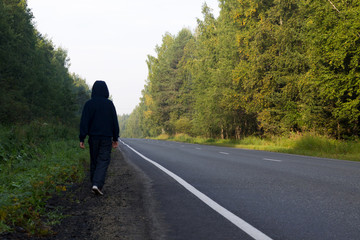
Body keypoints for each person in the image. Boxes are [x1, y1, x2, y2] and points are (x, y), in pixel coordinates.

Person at [79, 80, 119, 196]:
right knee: (103, 160)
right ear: (106, 90)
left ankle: (94, 183)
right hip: (106, 137)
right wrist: (115, 138)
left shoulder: (89, 104)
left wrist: (82, 138)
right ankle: (97, 184)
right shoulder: (109, 104)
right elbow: (114, 122)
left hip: (93, 137)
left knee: (94, 160)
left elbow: (84, 122)